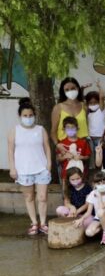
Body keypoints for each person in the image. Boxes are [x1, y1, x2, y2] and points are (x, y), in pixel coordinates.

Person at [9, 98, 52, 235]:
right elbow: (10, 150)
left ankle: (43, 223)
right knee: (29, 197)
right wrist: (12, 168)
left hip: (41, 169)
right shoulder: (14, 131)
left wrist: (49, 164)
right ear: (20, 116)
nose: (28, 118)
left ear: (34, 115)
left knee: (43, 197)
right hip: (23, 170)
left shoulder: (40, 130)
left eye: (30, 115)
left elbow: (47, 147)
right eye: (25, 116)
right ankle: (34, 223)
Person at [76, 171, 105, 244]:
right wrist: (81, 219)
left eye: (104, 183)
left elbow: (101, 207)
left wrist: (99, 196)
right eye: (98, 183)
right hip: (99, 217)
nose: (101, 185)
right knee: (89, 233)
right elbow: (89, 212)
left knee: (100, 211)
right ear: (94, 184)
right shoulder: (92, 193)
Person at [51, 77, 88, 147]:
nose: (70, 91)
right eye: (67, 90)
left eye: (73, 88)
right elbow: (53, 131)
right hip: (64, 147)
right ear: (63, 92)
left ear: (77, 88)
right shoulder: (58, 108)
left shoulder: (84, 106)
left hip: (83, 147)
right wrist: (58, 145)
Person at [85, 84, 105, 152]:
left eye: (95, 102)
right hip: (90, 139)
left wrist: (99, 87)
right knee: (92, 158)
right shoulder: (87, 112)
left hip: (100, 138)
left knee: (100, 156)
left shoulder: (101, 110)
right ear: (87, 104)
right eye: (90, 103)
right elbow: (82, 102)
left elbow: (102, 97)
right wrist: (82, 89)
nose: (93, 104)